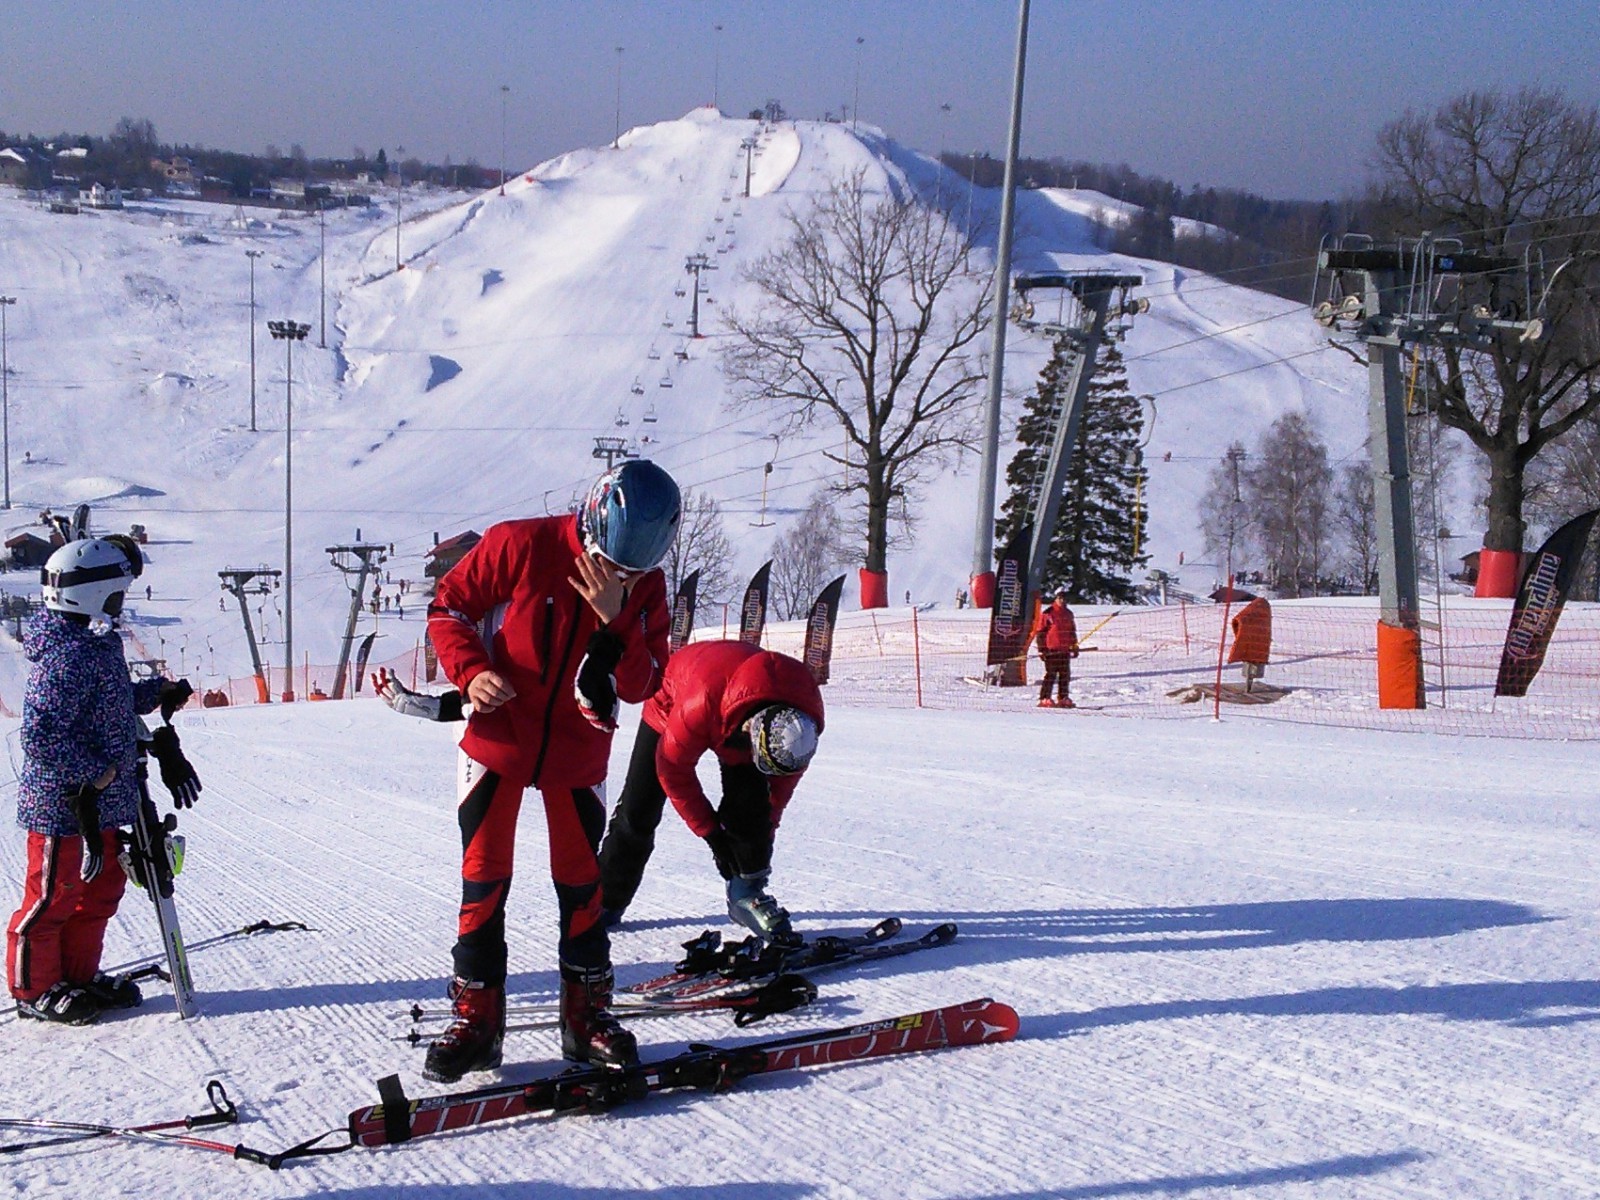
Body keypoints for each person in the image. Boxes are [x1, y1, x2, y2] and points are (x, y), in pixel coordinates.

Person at [421, 460, 679, 1083]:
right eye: (608, 560)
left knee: (582, 882)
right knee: (483, 876)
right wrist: (470, 671)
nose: (616, 575)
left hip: (577, 753)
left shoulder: (645, 588)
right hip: (496, 739)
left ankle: (586, 1016)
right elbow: (447, 609)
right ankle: (477, 1020)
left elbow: (645, 683)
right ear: (589, 519)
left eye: (632, 570)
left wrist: (618, 616)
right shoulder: (520, 543)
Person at [6, 536, 197, 1025]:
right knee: (53, 897)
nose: (121, 603)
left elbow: (112, 699)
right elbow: (40, 738)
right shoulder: (66, 659)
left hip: (107, 802)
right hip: (64, 806)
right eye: (117, 593)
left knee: (100, 891)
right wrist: (95, 771)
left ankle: (77, 975)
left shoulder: (96, 641)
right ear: (91, 593)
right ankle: (35, 989)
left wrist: (159, 692)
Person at [597, 640, 823, 944]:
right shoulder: (698, 705)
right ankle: (604, 903)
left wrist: (763, 837)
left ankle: (746, 894)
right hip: (679, 700)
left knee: (752, 808)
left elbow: (777, 795)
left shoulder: (801, 728)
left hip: (741, 699)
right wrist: (713, 836)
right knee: (639, 811)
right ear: (751, 732)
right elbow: (673, 773)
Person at [1035, 590, 1079, 708]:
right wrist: (1042, 649)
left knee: (1065, 675)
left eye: (1064, 598)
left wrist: (1074, 646)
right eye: (1060, 598)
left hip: (1064, 649)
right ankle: (1045, 698)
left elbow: (1072, 631)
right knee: (1051, 675)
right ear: (1055, 599)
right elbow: (1040, 632)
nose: (1062, 601)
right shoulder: (1048, 613)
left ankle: (1063, 697)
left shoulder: (1068, 614)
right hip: (1051, 649)